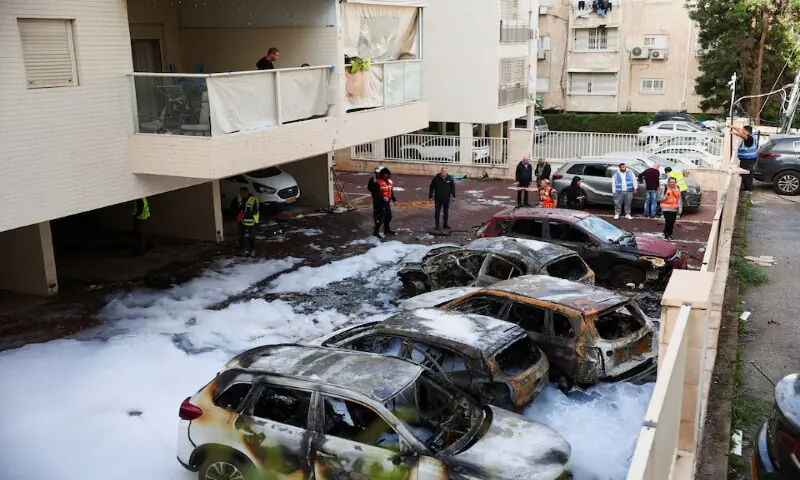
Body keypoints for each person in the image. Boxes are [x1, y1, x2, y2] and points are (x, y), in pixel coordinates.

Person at [429, 167, 456, 231]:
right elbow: (431, 186)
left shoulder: (450, 178)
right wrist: (430, 196)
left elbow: (453, 187)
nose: (442, 172)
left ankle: (445, 224)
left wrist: (454, 196)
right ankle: (437, 225)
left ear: (447, 172)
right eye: (442, 171)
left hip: (446, 199)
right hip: (438, 198)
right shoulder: (436, 178)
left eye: (444, 171)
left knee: (446, 212)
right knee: (437, 212)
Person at [732, 125, 757, 191]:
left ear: (746, 131)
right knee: (749, 174)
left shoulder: (749, 138)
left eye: (743, 130)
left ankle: (748, 190)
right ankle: (749, 188)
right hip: (751, 159)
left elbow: (743, 136)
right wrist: (732, 126)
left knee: (745, 175)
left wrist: (733, 133)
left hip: (747, 159)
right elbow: (740, 130)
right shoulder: (752, 135)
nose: (742, 131)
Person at [373, 168, 397, 237]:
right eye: (384, 174)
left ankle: (386, 230)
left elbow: (391, 191)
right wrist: (382, 198)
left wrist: (394, 199)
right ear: (381, 175)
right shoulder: (378, 183)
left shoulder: (390, 182)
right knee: (381, 218)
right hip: (380, 203)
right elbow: (375, 195)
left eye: (387, 174)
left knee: (389, 216)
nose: (386, 175)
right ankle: (376, 232)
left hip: (387, 202)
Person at [237, 187, 260, 257]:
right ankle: (243, 250)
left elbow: (255, 211)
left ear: (247, 192)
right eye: (240, 193)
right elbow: (238, 208)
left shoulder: (254, 200)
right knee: (241, 236)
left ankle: (252, 250)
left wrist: (245, 214)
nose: (241, 194)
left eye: (242, 193)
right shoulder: (240, 198)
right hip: (241, 220)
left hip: (251, 221)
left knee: (251, 236)